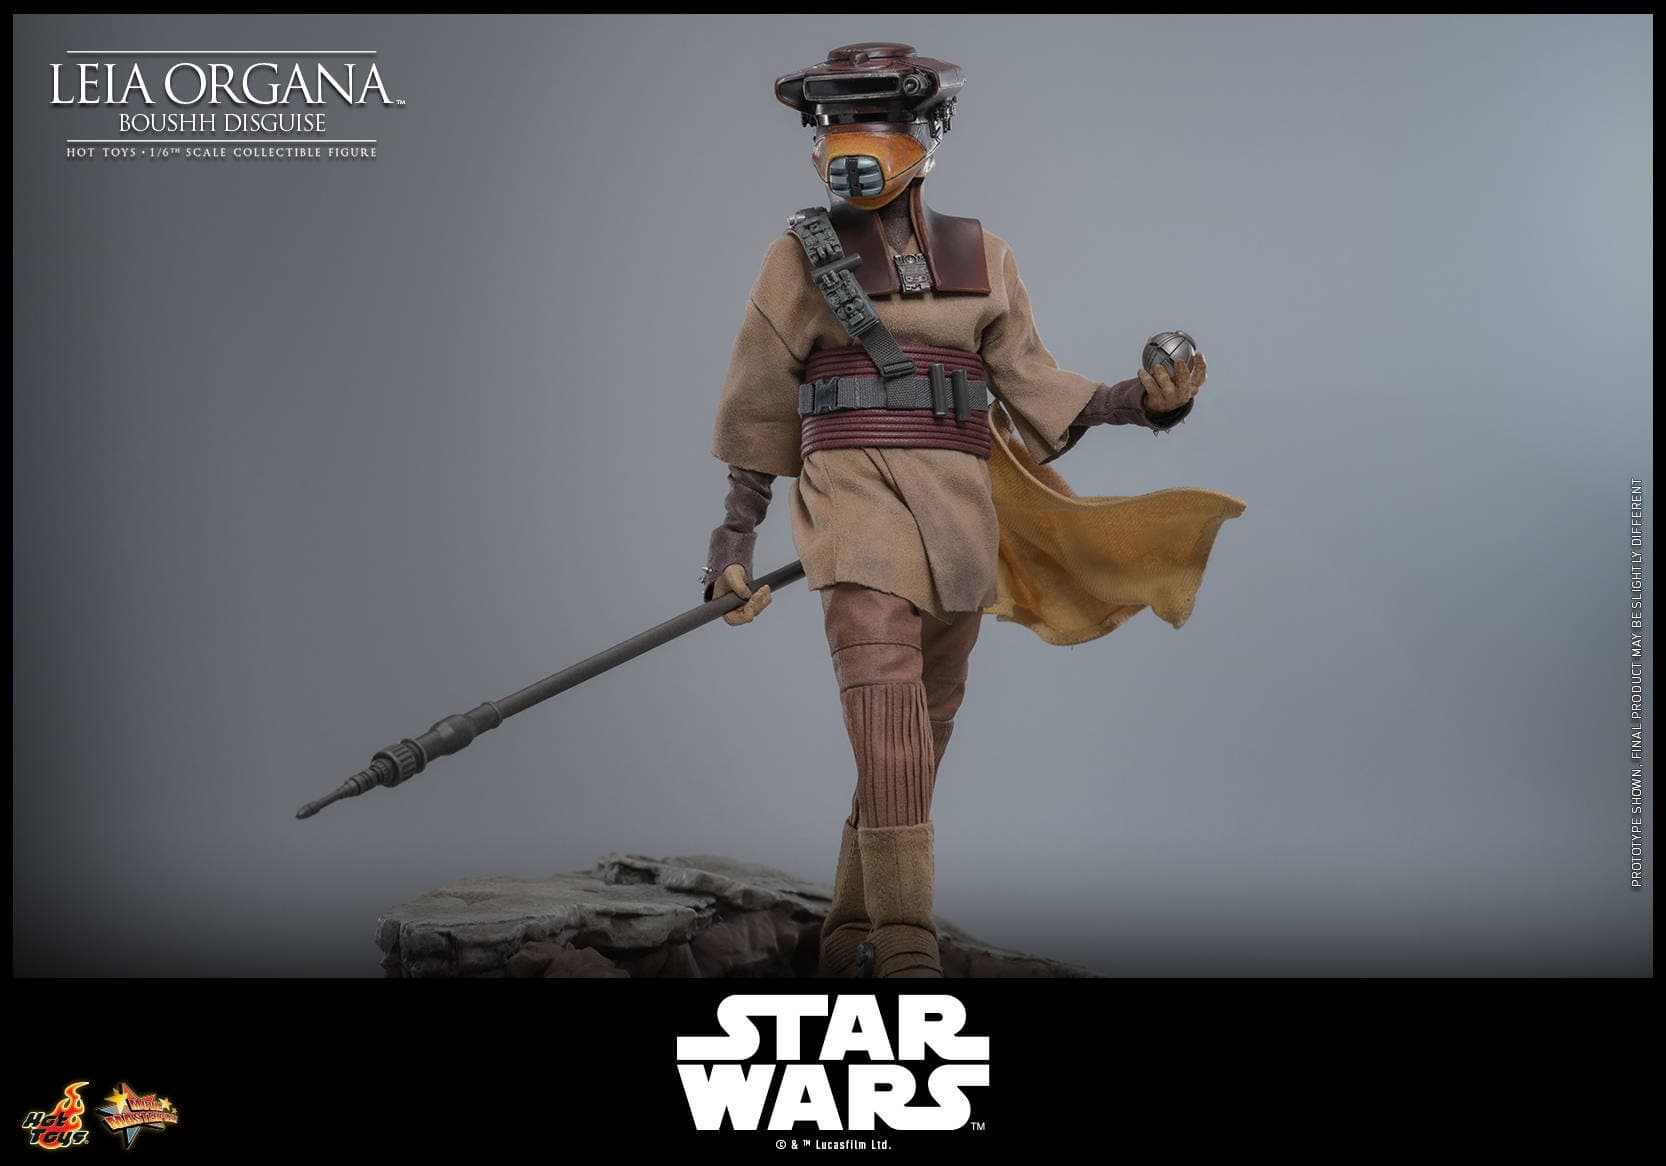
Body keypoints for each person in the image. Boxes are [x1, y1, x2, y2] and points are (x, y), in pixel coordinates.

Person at [703, 43, 1234, 978]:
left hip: (957, 513)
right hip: (852, 499)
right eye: (836, 125)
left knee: (923, 727)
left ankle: (848, 929)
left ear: (927, 134)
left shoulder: (985, 260)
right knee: (884, 705)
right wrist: (732, 539)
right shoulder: (795, 261)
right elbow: (759, 406)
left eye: (876, 123)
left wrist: (1147, 403)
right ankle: (908, 941)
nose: (853, 145)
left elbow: (1036, 387)